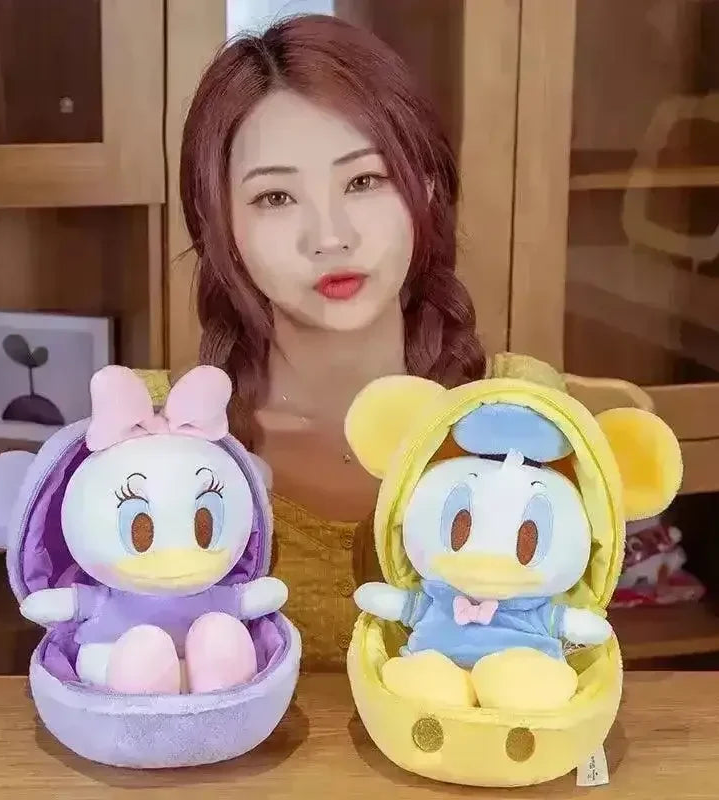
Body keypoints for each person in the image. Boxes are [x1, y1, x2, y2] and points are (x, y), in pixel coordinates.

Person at [169, 13, 485, 669]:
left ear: (427, 188)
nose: (330, 237)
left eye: (364, 181)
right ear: (220, 226)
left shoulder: (529, 418)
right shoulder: (154, 443)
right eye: (275, 197)